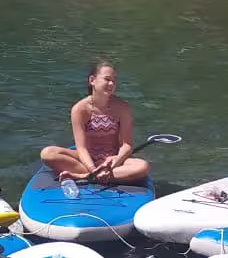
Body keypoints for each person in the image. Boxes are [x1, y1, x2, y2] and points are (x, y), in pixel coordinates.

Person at [42, 58, 150, 186]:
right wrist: (93, 169)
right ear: (92, 80)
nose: (111, 84)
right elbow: (81, 148)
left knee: (143, 166)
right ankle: (95, 175)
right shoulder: (80, 109)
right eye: (107, 79)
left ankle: (85, 177)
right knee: (48, 153)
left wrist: (115, 162)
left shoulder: (122, 107)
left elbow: (127, 145)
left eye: (114, 81)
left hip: (113, 162)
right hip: (86, 160)